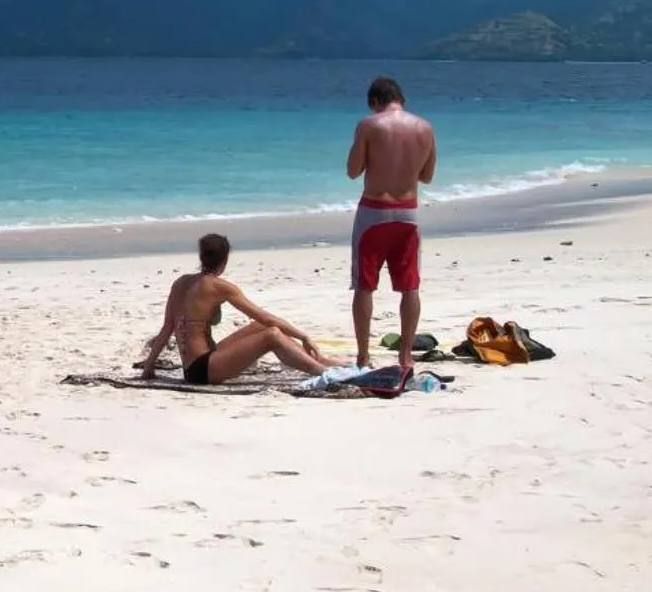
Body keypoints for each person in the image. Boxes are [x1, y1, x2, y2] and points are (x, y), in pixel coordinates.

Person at [137, 233, 342, 384]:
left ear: (201, 257)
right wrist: (303, 336)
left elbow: (167, 328)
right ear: (224, 260)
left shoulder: (180, 283)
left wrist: (149, 367)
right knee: (271, 334)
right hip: (204, 370)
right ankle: (322, 371)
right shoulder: (220, 287)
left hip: (194, 367)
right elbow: (266, 317)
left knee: (257, 327)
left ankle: (319, 360)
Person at [346, 74, 437, 370]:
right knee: (410, 286)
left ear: (374, 102)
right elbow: (427, 176)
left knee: (364, 286)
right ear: (402, 99)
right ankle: (406, 355)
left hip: (374, 212)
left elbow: (353, 170)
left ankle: (363, 356)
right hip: (408, 214)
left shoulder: (369, 125)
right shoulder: (425, 128)